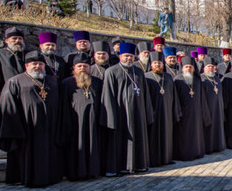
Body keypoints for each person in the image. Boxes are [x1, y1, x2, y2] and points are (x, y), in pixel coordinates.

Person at [0, 51, 62, 187]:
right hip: (27, 128)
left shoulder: (51, 82)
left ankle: (50, 177)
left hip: (48, 127)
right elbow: (8, 107)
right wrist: (16, 128)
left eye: (40, 64)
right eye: (34, 64)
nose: (38, 66)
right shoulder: (15, 81)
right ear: (26, 65)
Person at [101, 42, 153, 174]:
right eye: (126, 56)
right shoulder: (111, 72)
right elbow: (108, 95)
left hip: (138, 112)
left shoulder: (139, 72)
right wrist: (110, 118)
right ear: (120, 56)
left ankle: (138, 165)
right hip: (121, 113)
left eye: (131, 56)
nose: (129, 58)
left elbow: (146, 94)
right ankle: (122, 167)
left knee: (138, 138)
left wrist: (147, 113)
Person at [59, 52, 102, 180]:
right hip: (75, 122)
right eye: (79, 66)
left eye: (85, 66)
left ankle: (93, 171)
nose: (82, 68)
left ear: (90, 68)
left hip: (93, 122)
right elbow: (63, 104)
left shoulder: (97, 82)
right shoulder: (66, 83)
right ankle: (75, 173)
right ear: (74, 68)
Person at [145, 51, 181, 167]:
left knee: (167, 136)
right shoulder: (146, 77)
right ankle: (153, 160)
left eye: (159, 63)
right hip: (153, 113)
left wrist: (175, 112)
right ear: (151, 64)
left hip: (167, 113)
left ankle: (167, 158)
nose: (157, 65)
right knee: (153, 137)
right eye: (155, 63)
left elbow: (174, 96)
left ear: (163, 64)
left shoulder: (168, 77)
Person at [173, 56, 211, 161]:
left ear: (194, 68)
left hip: (196, 114)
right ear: (182, 68)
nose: (188, 69)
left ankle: (196, 152)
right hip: (183, 115)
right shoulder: (177, 80)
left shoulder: (197, 81)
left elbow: (202, 99)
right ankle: (184, 155)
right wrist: (178, 113)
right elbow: (175, 99)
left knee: (196, 134)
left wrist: (204, 114)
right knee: (184, 135)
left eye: (190, 67)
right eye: (186, 67)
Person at [0, 27, 26, 104]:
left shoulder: (28, 54)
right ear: (6, 40)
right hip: (7, 95)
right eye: (14, 38)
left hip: (26, 95)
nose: (17, 41)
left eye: (20, 38)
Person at [200, 56, 226, 153]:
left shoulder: (216, 78)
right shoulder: (202, 79)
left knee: (218, 128)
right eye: (208, 66)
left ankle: (218, 146)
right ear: (204, 67)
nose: (210, 68)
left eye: (212, 66)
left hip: (218, 108)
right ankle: (209, 148)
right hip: (207, 109)